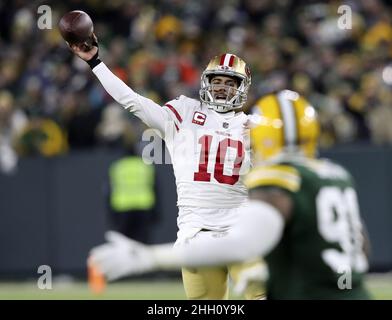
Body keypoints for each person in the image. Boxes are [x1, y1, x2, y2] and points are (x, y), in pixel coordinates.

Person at [89, 90, 371, 299]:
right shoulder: (336, 174)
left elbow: (242, 245)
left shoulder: (277, 180)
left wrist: (151, 257)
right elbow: (360, 247)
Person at [67, 36, 265, 299]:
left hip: (242, 230)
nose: (221, 88)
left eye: (230, 83)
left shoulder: (257, 126)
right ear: (206, 82)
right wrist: (95, 62)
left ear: (243, 88)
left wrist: (264, 146)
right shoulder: (184, 112)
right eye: (217, 81)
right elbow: (132, 101)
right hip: (197, 233)